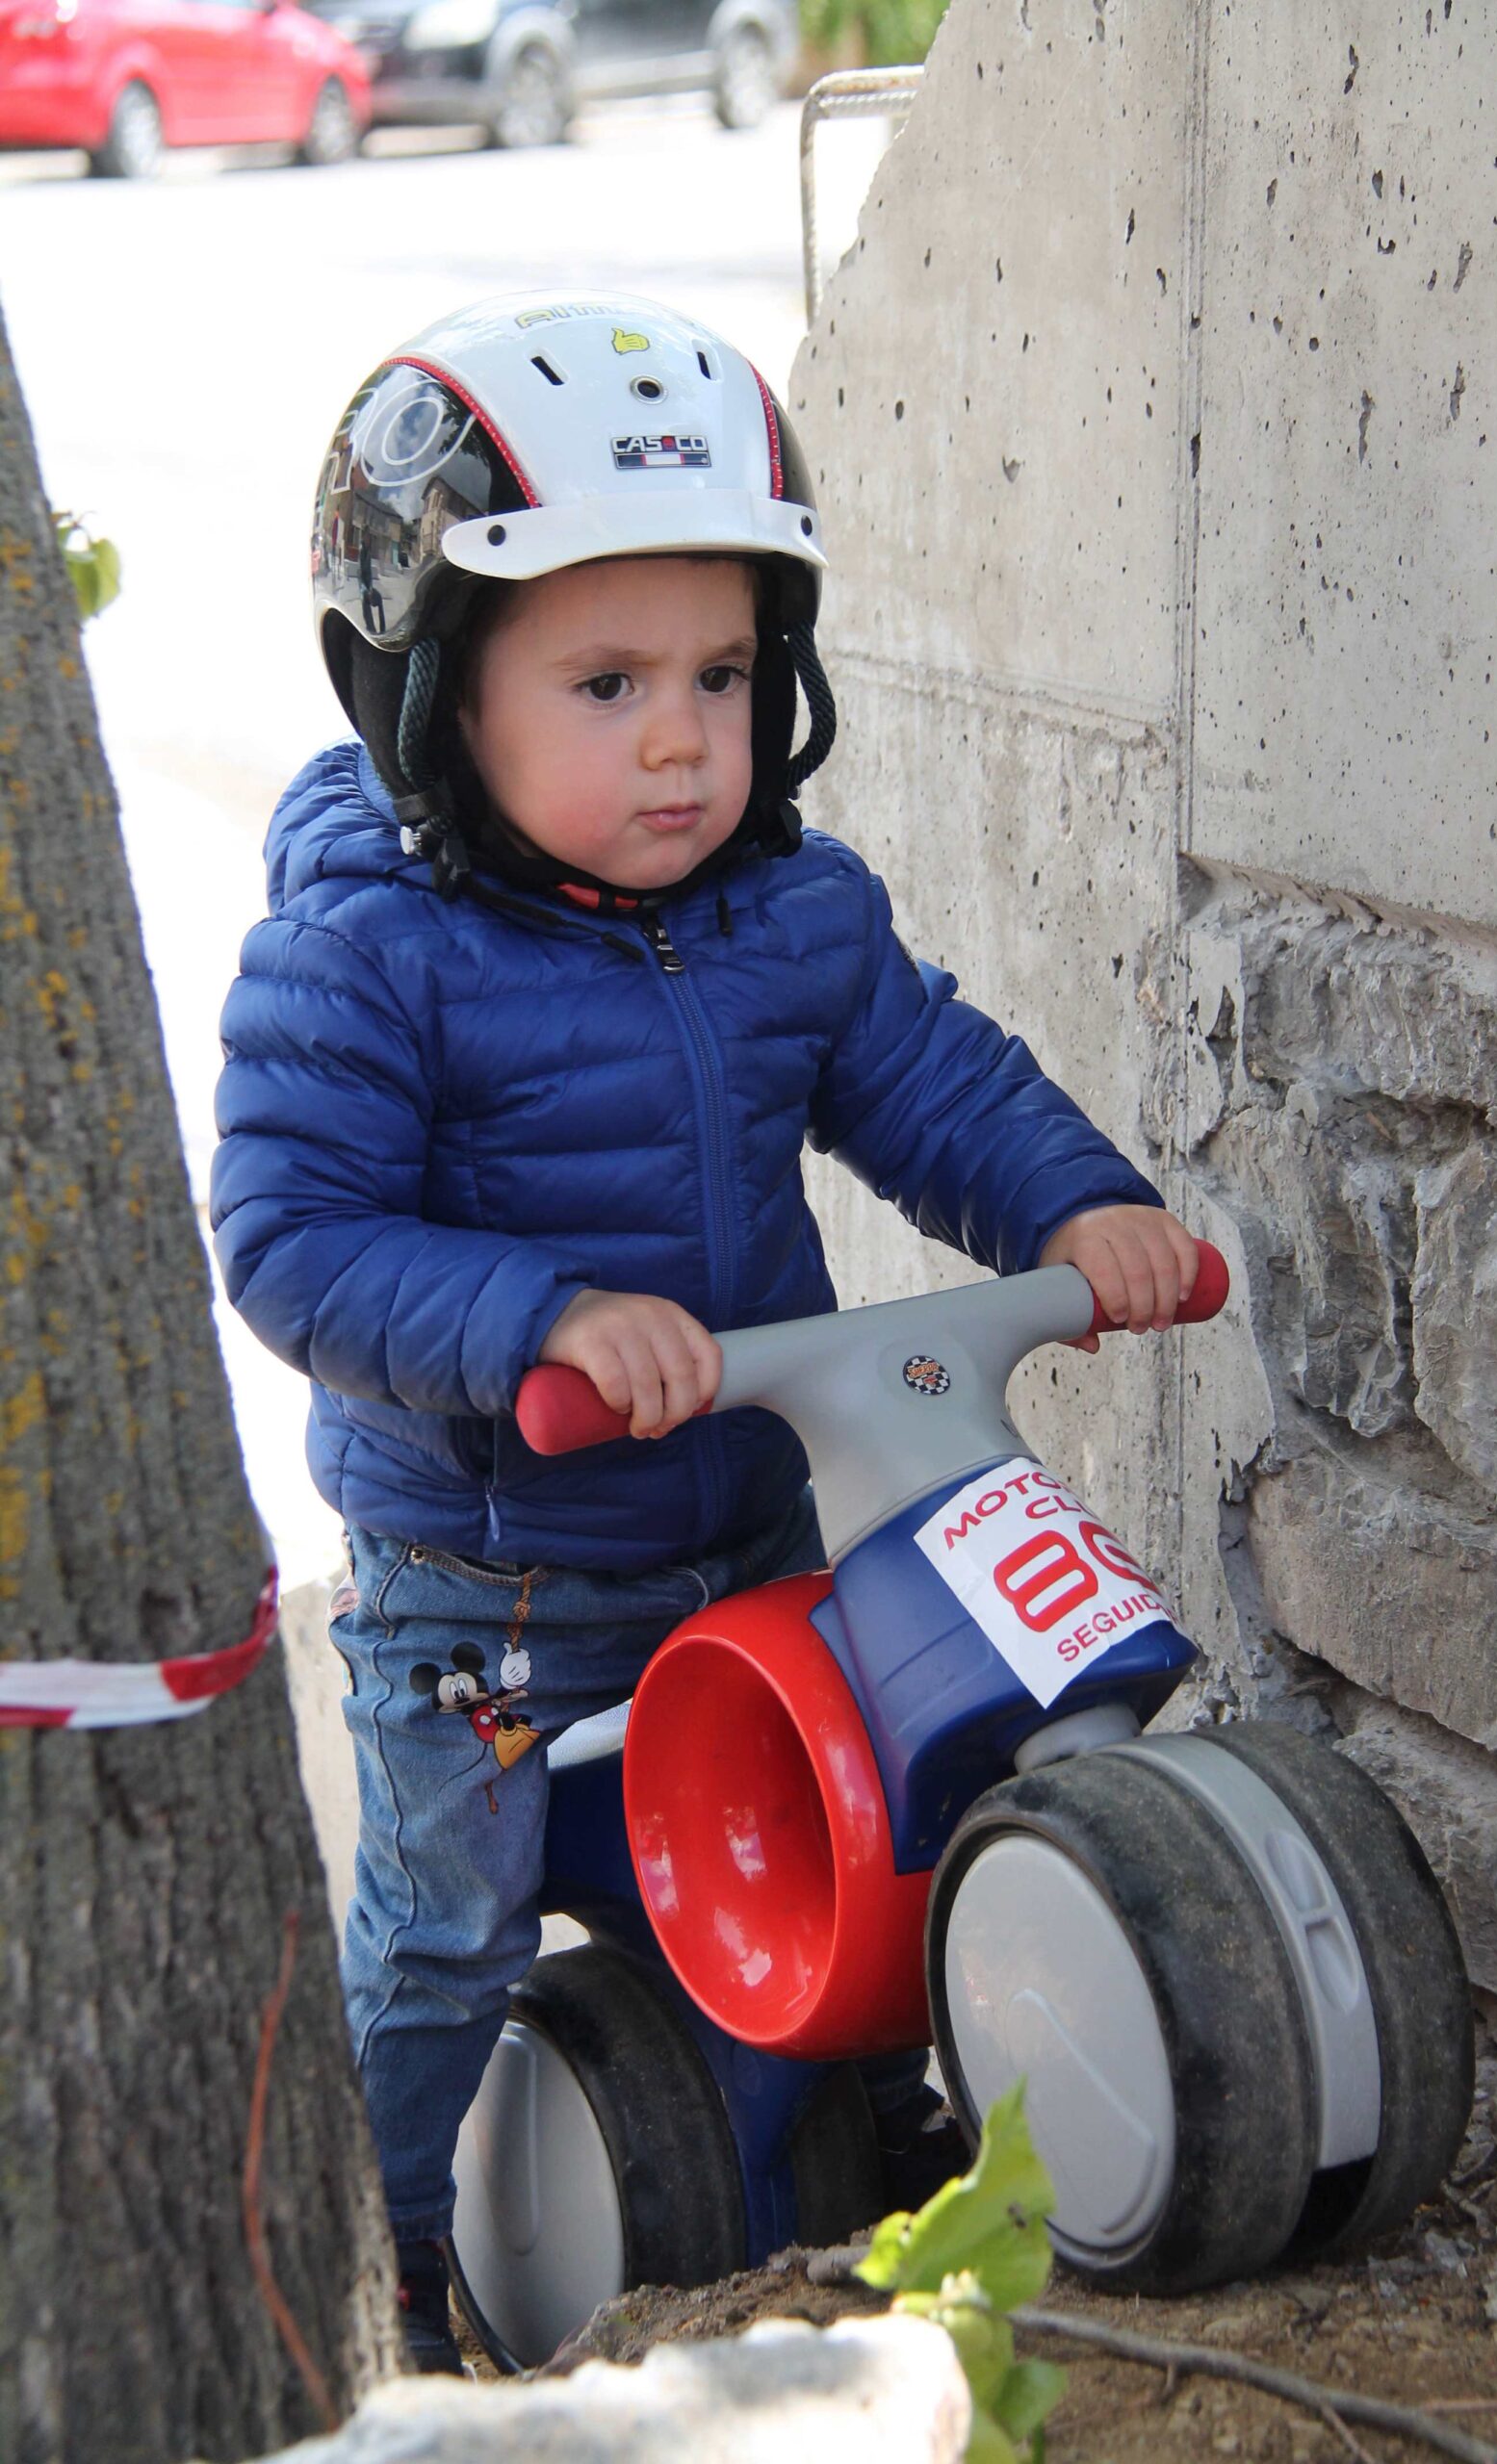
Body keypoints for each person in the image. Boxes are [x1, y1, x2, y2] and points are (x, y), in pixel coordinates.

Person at [211, 291, 1201, 2373]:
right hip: (492, 1582)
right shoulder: (366, 951)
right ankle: (380, 2275)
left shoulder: (785, 912)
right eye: (606, 683)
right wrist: (543, 1314)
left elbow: (926, 1079)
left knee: (873, 1822)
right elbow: (294, 1240)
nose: (681, 738)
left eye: (723, 676)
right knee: (447, 1930)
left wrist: (1072, 1204)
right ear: (427, 693)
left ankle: (892, 2116)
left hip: (751, 1519)